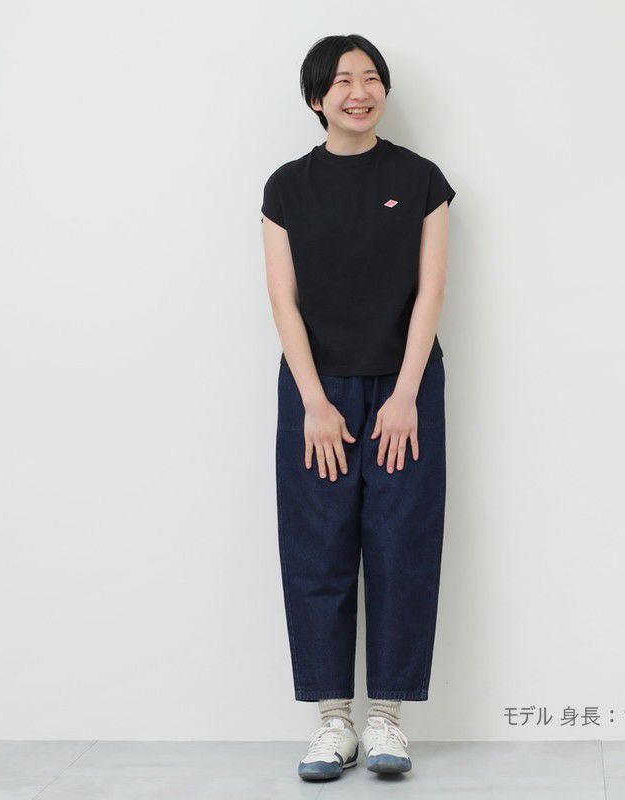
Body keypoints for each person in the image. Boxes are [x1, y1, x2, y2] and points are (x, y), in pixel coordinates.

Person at [260, 33, 455, 781]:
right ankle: (333, 722)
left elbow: (430, 292)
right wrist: (313, 401)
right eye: (342, 81)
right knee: (318, 551)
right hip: (316, 391)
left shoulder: (423, 180)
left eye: (371, 78)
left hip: (406, 387)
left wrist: (405, 394)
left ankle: (388, 721)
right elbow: (284, 300)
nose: (359, 91)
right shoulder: (286, 188)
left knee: (403, 547)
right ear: (317, 98)